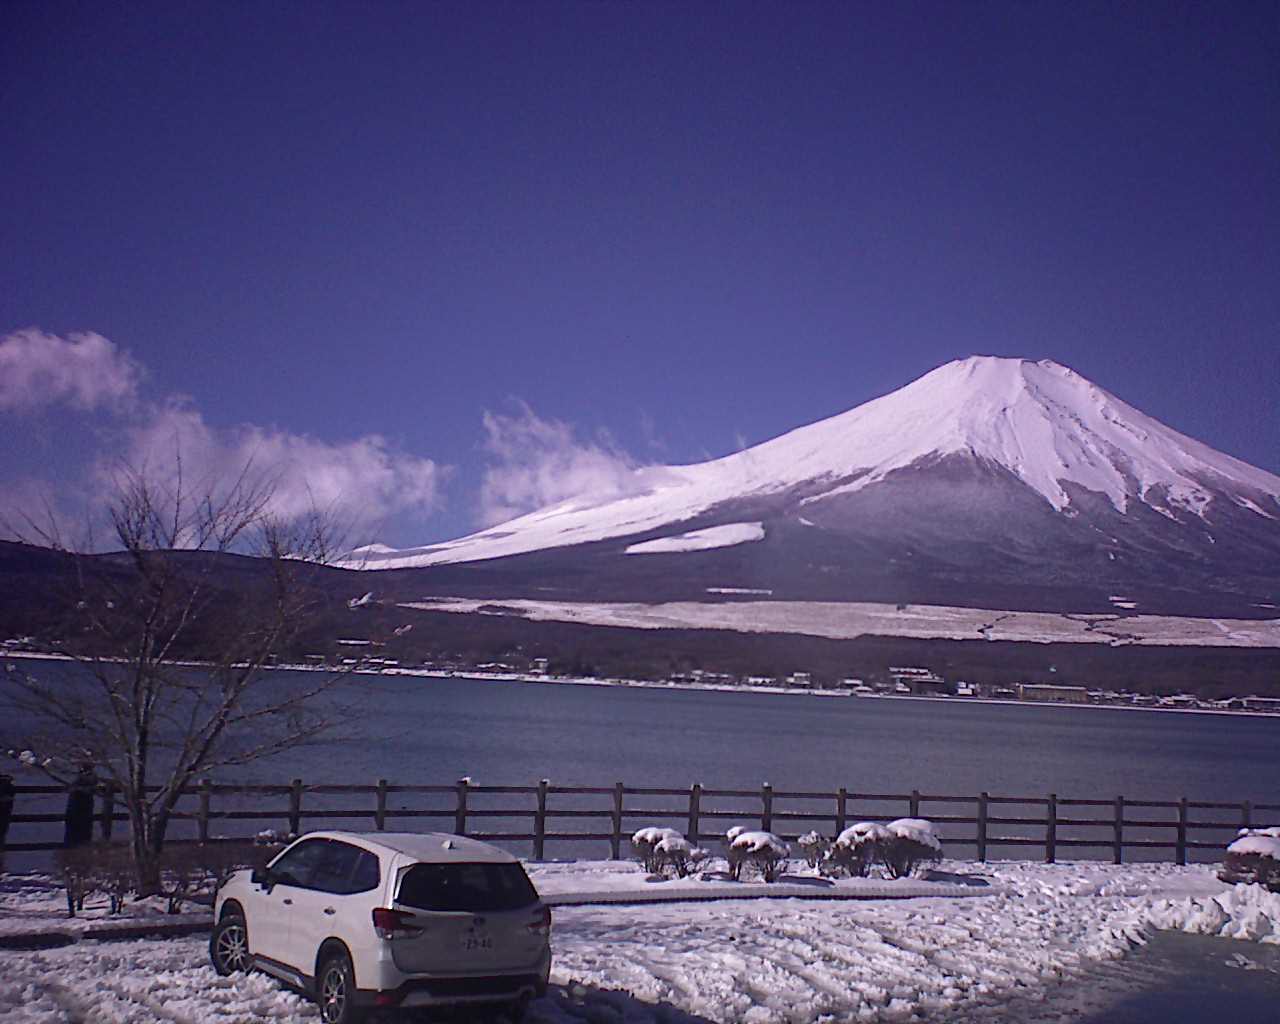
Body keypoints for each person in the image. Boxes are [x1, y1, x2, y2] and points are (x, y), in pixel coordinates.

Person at [63, 764, 97, 848]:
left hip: (83, 811)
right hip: (77, 811)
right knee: (75, 833)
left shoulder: (88, 780)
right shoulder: (79, 781)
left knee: (82, 833)